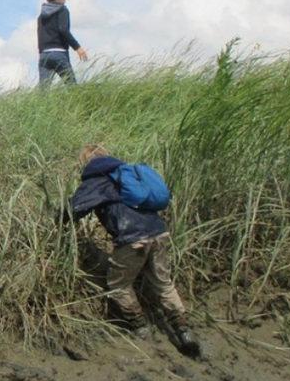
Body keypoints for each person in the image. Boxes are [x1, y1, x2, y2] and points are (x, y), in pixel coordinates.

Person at [69, 145, 201, 358]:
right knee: (164, 285)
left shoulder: (96, 180)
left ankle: (140, 327)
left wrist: (56, 220)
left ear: (85, 162)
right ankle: (184, 331)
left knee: (118, 285)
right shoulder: (126, 175)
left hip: (133, 239)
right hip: (159, 233)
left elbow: (74, 208)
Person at [37, 0, 88, 88]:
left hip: (44, 56)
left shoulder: (41, 16)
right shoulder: (62, 10)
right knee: (72, 87)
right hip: (59, 54)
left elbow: (40, 35)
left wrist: (42, 53)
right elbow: (63, 30)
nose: (65, 0)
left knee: (43, 92)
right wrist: (77, 47)